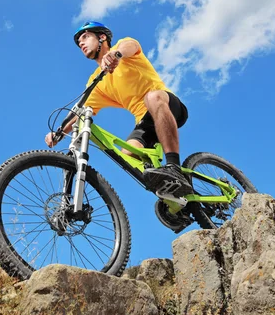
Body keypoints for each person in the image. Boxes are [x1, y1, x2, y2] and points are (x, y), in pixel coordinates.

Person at [45, 21, 192, 196]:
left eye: (85, 37)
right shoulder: (97, 81)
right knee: (126, 154)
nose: (81, 44)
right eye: (79, 43)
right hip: (145, 123)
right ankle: (171, 193)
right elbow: (79, 110)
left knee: (152, 97)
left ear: (102, 37)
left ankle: (174, 167)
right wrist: (59, 132)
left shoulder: (123, 48)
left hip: (166, 104)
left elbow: (130, 46)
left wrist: (116, 54)